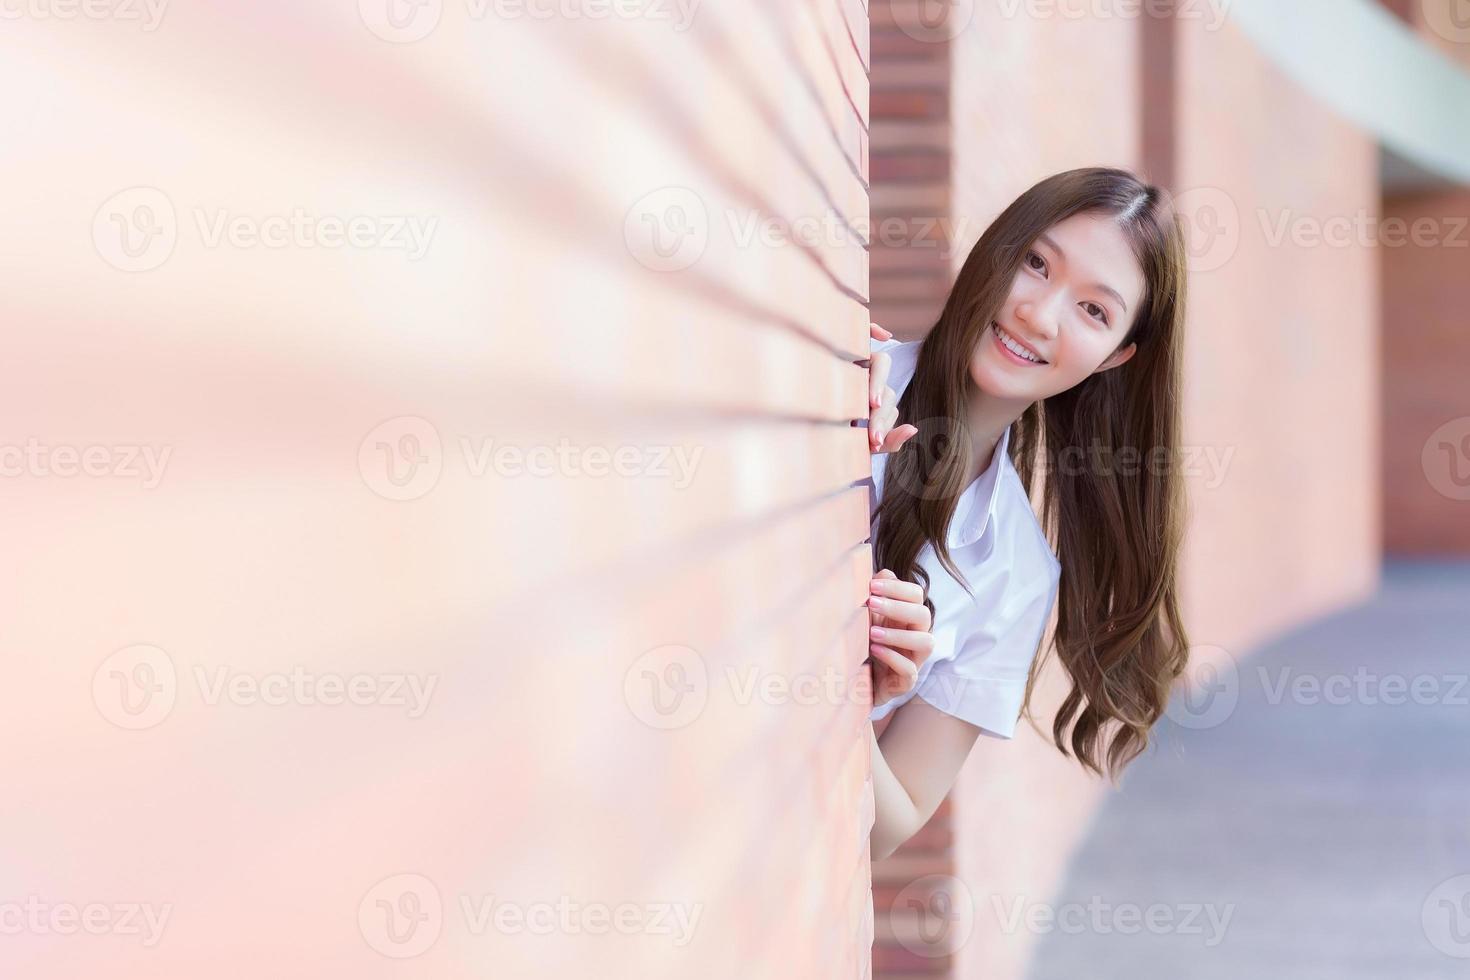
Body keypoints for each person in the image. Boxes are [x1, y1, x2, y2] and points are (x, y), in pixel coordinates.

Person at [859, 167, 1191, 861]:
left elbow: (888, 828)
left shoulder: (1017, 575)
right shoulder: (850, 377)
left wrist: (850, 692)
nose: (1038, 315)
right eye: (1036, 263)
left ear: (1116, 357)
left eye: (1094, 311)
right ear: (997, 248)